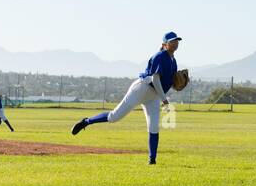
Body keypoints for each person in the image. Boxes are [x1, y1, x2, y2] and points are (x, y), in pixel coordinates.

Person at [71, 32, 188, 164]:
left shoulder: (174, 61)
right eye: (172, 41)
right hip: (141, 89)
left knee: (154, 127)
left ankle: (152, 160)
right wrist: (165, 100)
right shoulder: (160, 56)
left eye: (177, 41)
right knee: (114, 117)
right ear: (164, 44)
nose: (175, 43)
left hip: (153, 96)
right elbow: (155, 80)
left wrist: (175, 84)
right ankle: (86, 122)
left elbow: (166, 81)